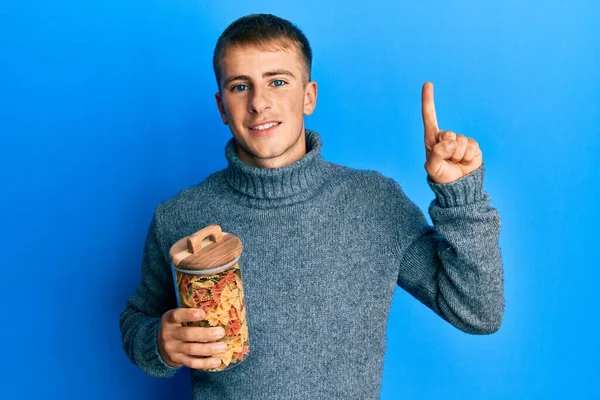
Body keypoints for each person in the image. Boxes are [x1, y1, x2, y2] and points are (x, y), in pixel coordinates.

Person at [119, 13, 504, 400]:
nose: (259, 103)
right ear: (222, 107)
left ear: (309, 97)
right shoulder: (180, 216)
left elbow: (478, 312)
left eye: (278, 81)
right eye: (240, 86)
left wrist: (461, 197)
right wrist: (159, 342)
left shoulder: (373, 202)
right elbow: (138, 320)